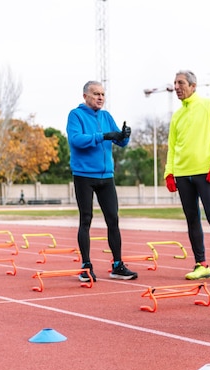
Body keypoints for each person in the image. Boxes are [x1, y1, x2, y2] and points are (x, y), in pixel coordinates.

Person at [164, 70, 210, 282]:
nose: (177, 87)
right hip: (182, 173)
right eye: (175, 83)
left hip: (206, 172)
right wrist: (169, 172)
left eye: (181, 83)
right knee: (192, 219)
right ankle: (201, 264)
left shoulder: (209, 106)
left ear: (193, 85)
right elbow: (171, 147)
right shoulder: (177, 116)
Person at [66, 80, 138, 282]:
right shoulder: (76, 115)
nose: (100, 97)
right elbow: (76, 140)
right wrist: (103, 135)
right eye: (96, 93)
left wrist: (124, 136)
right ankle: (86, 265)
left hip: (106, 176)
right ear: (85, 96)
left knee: (113, 219)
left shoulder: (106, 116)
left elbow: (119, 142)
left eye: (103, 94)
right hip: (84, 175)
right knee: (86, 219)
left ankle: (117, 265)